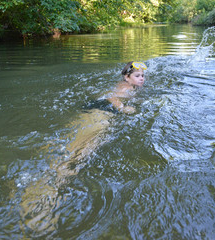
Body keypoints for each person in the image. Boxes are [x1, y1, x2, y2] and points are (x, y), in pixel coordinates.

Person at [18, 61, 147, 235]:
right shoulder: (125, 88)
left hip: (94, 110)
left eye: (143, 76)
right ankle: (42, 202)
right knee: (79, 154)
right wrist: (123, 108)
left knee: (67, 146)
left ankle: (42, 190)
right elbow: (112, 97)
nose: (142, 79)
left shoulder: (126, 85)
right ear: (126, 77)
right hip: (101, 115)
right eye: (137, 76)